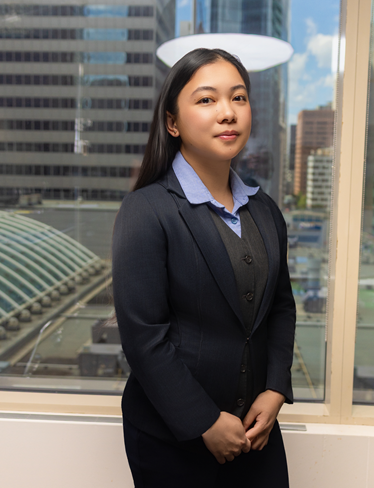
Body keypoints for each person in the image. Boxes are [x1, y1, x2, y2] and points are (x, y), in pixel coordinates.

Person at [112, 48, 296, 488]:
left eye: (239, 97)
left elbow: (281, 308)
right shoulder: (146, 210)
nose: (228, 112)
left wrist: (275, 389)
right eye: (207, 99)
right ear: (172, 123)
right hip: (170, 439)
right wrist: (205, 421)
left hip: (257, 432)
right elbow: (143, 337)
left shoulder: (265, 210)